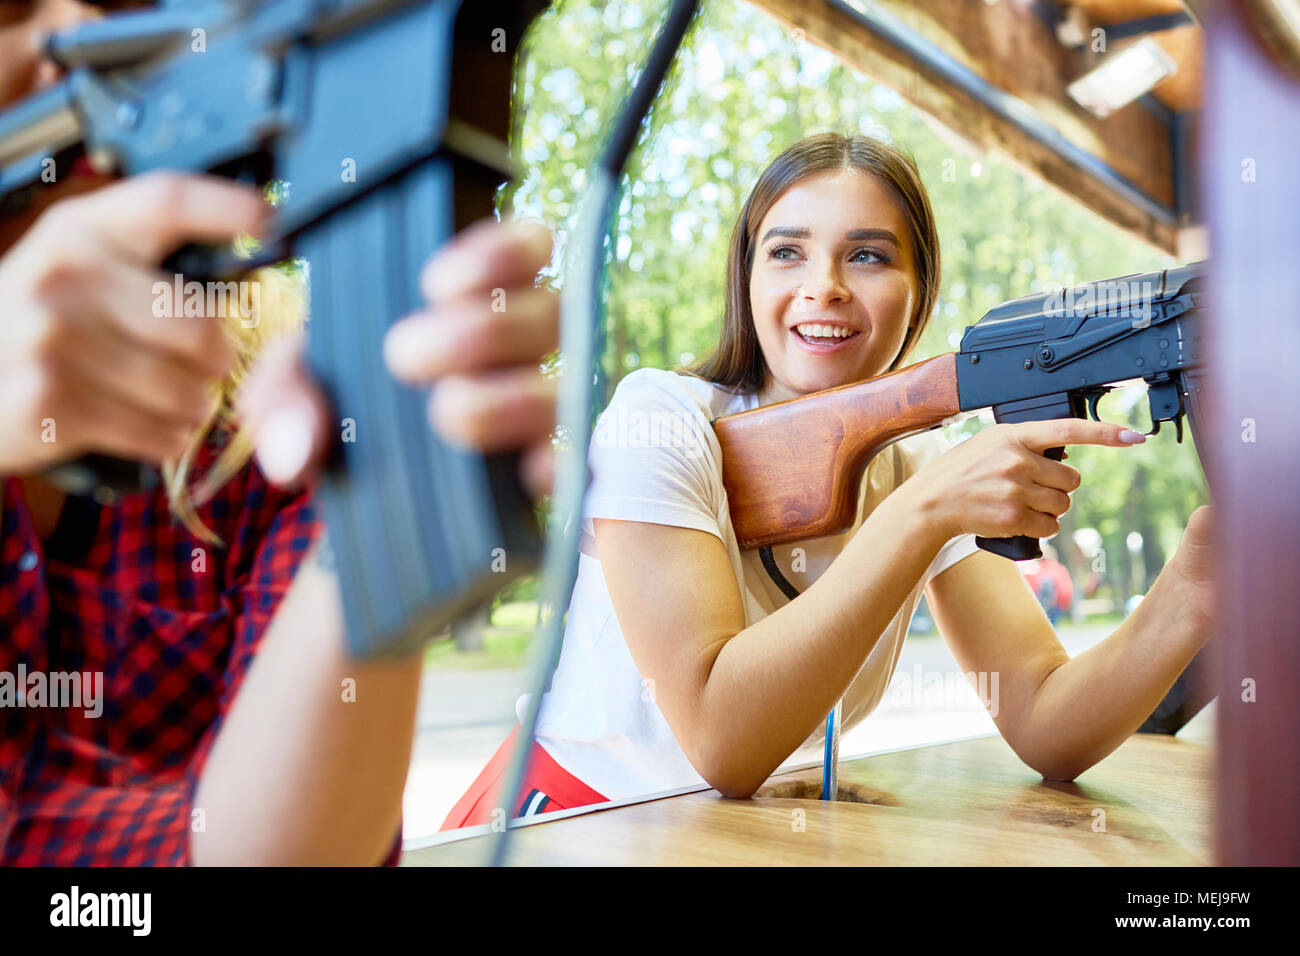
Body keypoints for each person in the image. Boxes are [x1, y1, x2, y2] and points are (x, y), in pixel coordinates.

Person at [442, 131, 1215, 828]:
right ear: (745, 280)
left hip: (736, 842)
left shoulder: (911, 470)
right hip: (562, 824)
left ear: (919, 295)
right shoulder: (658, 420)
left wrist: (1193, 588)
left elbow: (1047, 721)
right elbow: (720, 737)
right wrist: (923, 513)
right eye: (787, 252)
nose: (826, 286)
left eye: (869, 255)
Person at [0, 0, 557, 864]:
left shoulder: (273, 425)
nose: (74, 27)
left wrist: (377, 480)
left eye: (124, 3)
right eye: (12, 11)